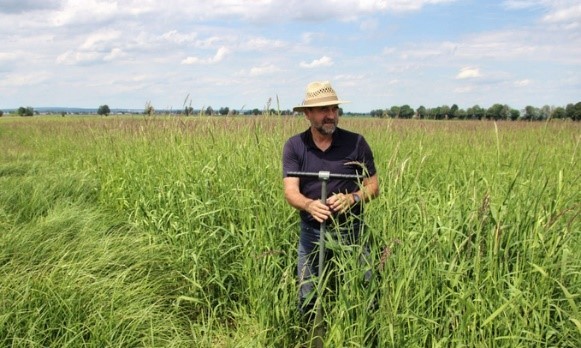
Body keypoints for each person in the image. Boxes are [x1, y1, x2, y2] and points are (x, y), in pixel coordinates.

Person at [282, 81, 379, 320]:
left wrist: (353, 198)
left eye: (334, 109)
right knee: (308, 293)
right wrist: (308, 205)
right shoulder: (295, 146)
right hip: (311, 230)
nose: (331, 115)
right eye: (324, 110)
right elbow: (290, 191)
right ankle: (310, 335)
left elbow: (373, 186)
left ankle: (363, 332)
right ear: (308, 114)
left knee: (364, 289)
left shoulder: (356, 142)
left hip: (352, 230)